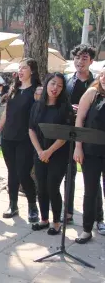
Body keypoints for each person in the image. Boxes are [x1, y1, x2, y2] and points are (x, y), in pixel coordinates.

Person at [0, 58, 41, 222]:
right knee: (12, 173)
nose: (20, 71)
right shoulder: (14, 89)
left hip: (25, 139)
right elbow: (7, 112)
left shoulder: (36, 91)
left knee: (23, 173)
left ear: (32, 71)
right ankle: (13, 205)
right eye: (19, 68)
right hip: (8, 137)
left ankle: (33, 206)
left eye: (24, 68)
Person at [64, 44, 104, 231]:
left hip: (90, 136)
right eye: (77, 58)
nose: (80, 61)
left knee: (93, 180)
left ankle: (98, 217)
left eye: (84, 58)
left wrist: (82, 111)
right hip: (66, 133)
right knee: (69, 174)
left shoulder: (97, 83)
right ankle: (68, 212)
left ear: (91, 61)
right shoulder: (65, 80)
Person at [29, 73, 74, 235]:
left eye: (60, 86)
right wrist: (40, 151)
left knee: (52, 187)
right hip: (40, 153)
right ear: (47, 84)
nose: (55, 88)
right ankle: (44, 219)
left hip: (58, 154)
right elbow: (31, 130)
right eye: (53, 83)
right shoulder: (37, 106)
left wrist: (49, 151)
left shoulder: (65, 108)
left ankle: (56, 223)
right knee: (41, 187)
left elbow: (65, 135)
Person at [73, 67, 105, 244]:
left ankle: (101, 221)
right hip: (91, 150)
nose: (103, 78)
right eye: (102, 75)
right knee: (90, 190)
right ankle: (86, 229)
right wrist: (78, 146)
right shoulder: (92, 93)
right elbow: (80, 119)